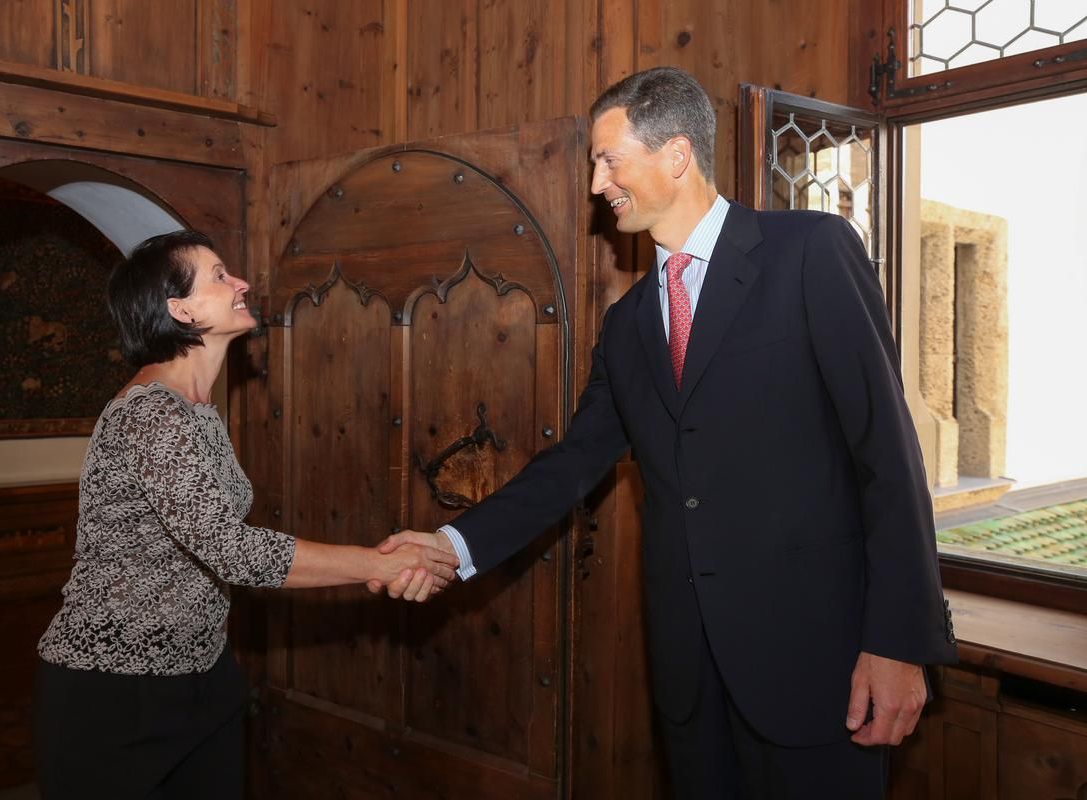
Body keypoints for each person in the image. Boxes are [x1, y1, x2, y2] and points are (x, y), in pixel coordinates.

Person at [374, 67, 958, 798]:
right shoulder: (628, 325)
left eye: (608, 160)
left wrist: (899, 643)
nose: (597, 184)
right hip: (690, 684)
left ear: (676, 155)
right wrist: (452, 545)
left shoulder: (810, 252)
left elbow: (888, 457)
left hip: (819, 668)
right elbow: (574, 462)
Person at [34, 230, 456, 800]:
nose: (240, 284)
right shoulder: (149, 414)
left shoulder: (198, 409)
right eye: (218, 276)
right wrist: (379, 563)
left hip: (202, 677)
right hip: (113, 693)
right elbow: (230, 549)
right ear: (180, 310)